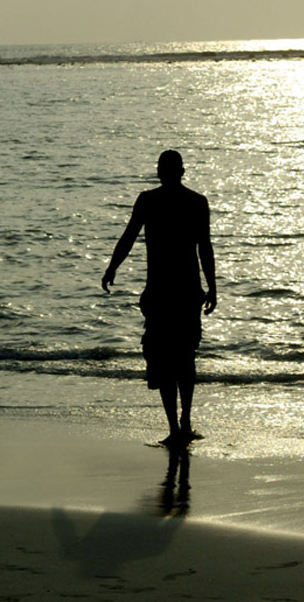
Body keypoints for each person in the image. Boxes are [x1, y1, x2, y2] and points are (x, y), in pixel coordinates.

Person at [102, 150, 217, 447]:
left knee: (165, 359)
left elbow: (128, 237)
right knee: (184, 358)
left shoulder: (149, 200)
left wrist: (112, 267)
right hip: (186, 292)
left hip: (162, 293)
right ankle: (184, 422)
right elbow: (205, 248)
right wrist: (212, 287)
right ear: (182, 171)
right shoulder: (196, 202)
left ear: (160, 172)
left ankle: (176, 427)